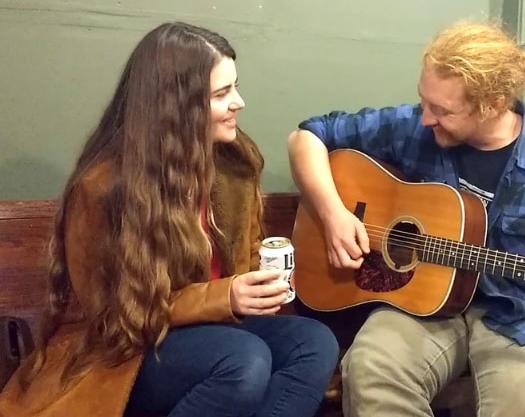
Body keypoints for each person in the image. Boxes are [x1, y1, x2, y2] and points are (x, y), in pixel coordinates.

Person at [0, 22, 339, 417]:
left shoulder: (234, 164)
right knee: (241, 360)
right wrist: (223, 296)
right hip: (125, 352)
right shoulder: (104, 189)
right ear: (177, 107)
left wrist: (257, 287)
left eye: (235, 86)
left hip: (217, 334)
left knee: (313, 343)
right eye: (221, 93)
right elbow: (115, 316)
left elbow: (244, 257)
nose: (239, 102)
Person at [287, 20, 525, 417]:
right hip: (420, 306)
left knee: (520, 402)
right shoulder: (415, 127)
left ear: (493, 104)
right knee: (371, 368)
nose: (425, 118)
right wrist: (334, 214)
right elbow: (306, 136)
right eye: (424, 101)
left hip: (521, 318)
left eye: (442, 110)